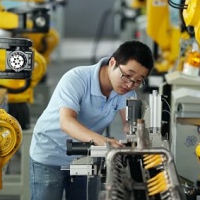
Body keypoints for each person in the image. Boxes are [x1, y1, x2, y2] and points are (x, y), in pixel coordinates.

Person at [29, 40, 154, 200]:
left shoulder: (126, 91)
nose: (130, 84)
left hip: (85, 155)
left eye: (138, 80)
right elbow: (66, 122)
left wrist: (137, 135)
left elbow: (130, 124)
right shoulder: (77, 79)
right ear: (113, 62)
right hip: (50, 154)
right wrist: (106, 142)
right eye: (127, 75)